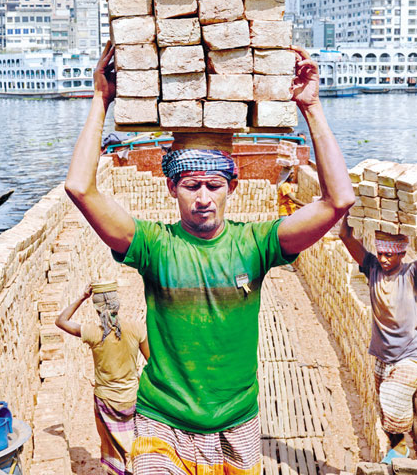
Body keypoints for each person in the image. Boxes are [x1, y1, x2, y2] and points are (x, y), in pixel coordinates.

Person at [65, 41, 354, 474]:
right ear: (171, 189)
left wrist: (311, 107)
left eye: (214, 186)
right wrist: (100, 100)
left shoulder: (257, 245)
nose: (203, 198)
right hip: (162, 420)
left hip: (237, 424)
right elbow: (80, 189)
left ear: (231, 189)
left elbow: (338, 201)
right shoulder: (152, 246)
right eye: (190, 186)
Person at [337, 177, 417, 463]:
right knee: (387, 415)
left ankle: (401, 454)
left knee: (393, 399)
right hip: (383, 356)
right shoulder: (371, 267)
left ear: (401, 254)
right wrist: (350, 202)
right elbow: (345, 236)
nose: (384, 259)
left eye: (389, 255)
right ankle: (400, 450)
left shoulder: (411, 274)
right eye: (381, 253)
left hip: (410, 356)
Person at [55, 283, 149, 475]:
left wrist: (82, 296)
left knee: (112, 448)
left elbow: (61, 321)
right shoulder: (136, 329)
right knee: (133, 442)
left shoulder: (92, 333)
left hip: (105, 400)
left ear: (96, 308)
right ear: (118, 305)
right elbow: (151, 361)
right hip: (131, 398)